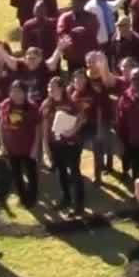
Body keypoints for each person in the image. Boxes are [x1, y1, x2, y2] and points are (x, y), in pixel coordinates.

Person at [40, 75, 85, 214]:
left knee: (75, 173)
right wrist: (46, 146)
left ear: (61, 88)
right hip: (56, 144)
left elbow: (82, 118)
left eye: (53, 87)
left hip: (71, 144)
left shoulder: (71, 103)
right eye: (49, 87)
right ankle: (65, 199)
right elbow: (44, 125)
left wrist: (73, 130)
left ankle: (79, 205)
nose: (50, 90)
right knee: (61, 172)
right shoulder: (46, 104)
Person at [0, 81, 41, 209]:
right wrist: (2, 143)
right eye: (13, 91)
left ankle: (32, 198)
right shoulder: (5, 104)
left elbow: (38, 128)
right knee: (16, 176)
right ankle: (23, 198)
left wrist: (35, 147)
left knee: (31, 174)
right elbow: (1, 124)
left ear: (24, 93)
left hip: (27, 148)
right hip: (11, 148)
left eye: (19, 91)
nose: (15, 94)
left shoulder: (32, 107)